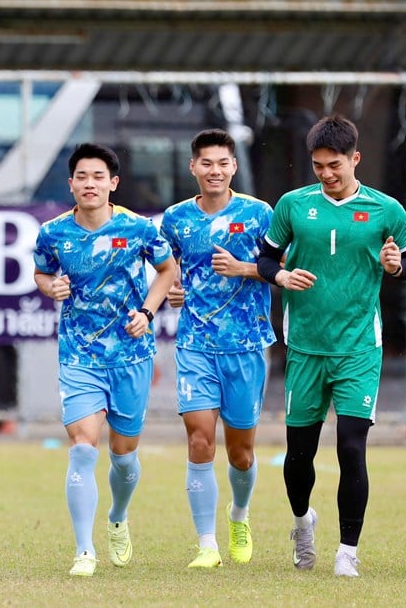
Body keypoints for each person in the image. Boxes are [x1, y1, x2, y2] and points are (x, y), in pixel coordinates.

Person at [257, 115, 406, 578]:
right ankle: (302, 522)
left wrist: (395, 266)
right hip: (306, 347)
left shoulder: (386, 208)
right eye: (317, 166)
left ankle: (347, 551)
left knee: (351, 447)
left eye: (334, 165)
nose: (326, 174)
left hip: (358, 348)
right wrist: (281, 276)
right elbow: (266, 257)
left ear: (355, 159)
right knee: (298, 455)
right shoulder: (292, 205)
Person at [33, 143, 177, 577]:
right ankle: (83, 550)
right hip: (78, 354)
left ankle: (118, 516)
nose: (89, 183)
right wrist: (49, 286)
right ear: (72, 183)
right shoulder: (53, 232)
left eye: (98, 176)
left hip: (131, 355)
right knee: (81, 448)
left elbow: (168, 271)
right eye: (82, 176)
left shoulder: (138, 228)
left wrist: (148, 312)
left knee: (124, 454)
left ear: (112, 183)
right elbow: (41, 272)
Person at [160, 129, 276, 569]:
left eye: (222, 163)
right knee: (199, 440)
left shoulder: (259, 214)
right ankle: (206, 544)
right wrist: (170, 288)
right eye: (206, 163)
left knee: (241, 451)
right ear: (193, 167)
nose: (214, 171)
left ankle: (239, 516)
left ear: (233, 167)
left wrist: (245, 268)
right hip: (194, 344)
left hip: (246, 346)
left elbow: (283, 267)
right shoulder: (174, 219)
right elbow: (164, 268)